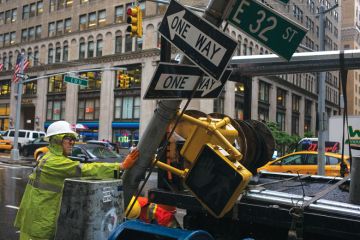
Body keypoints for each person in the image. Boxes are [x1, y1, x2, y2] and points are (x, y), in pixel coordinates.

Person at [14, 121, 139, 240]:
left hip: (38, 216)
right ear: (57, 140)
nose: (73, 143)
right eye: (69, 139)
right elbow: (85, 169)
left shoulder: (50, 157)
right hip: (39, 220)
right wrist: (120, 166)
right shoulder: (55, 162)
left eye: (74, 139)